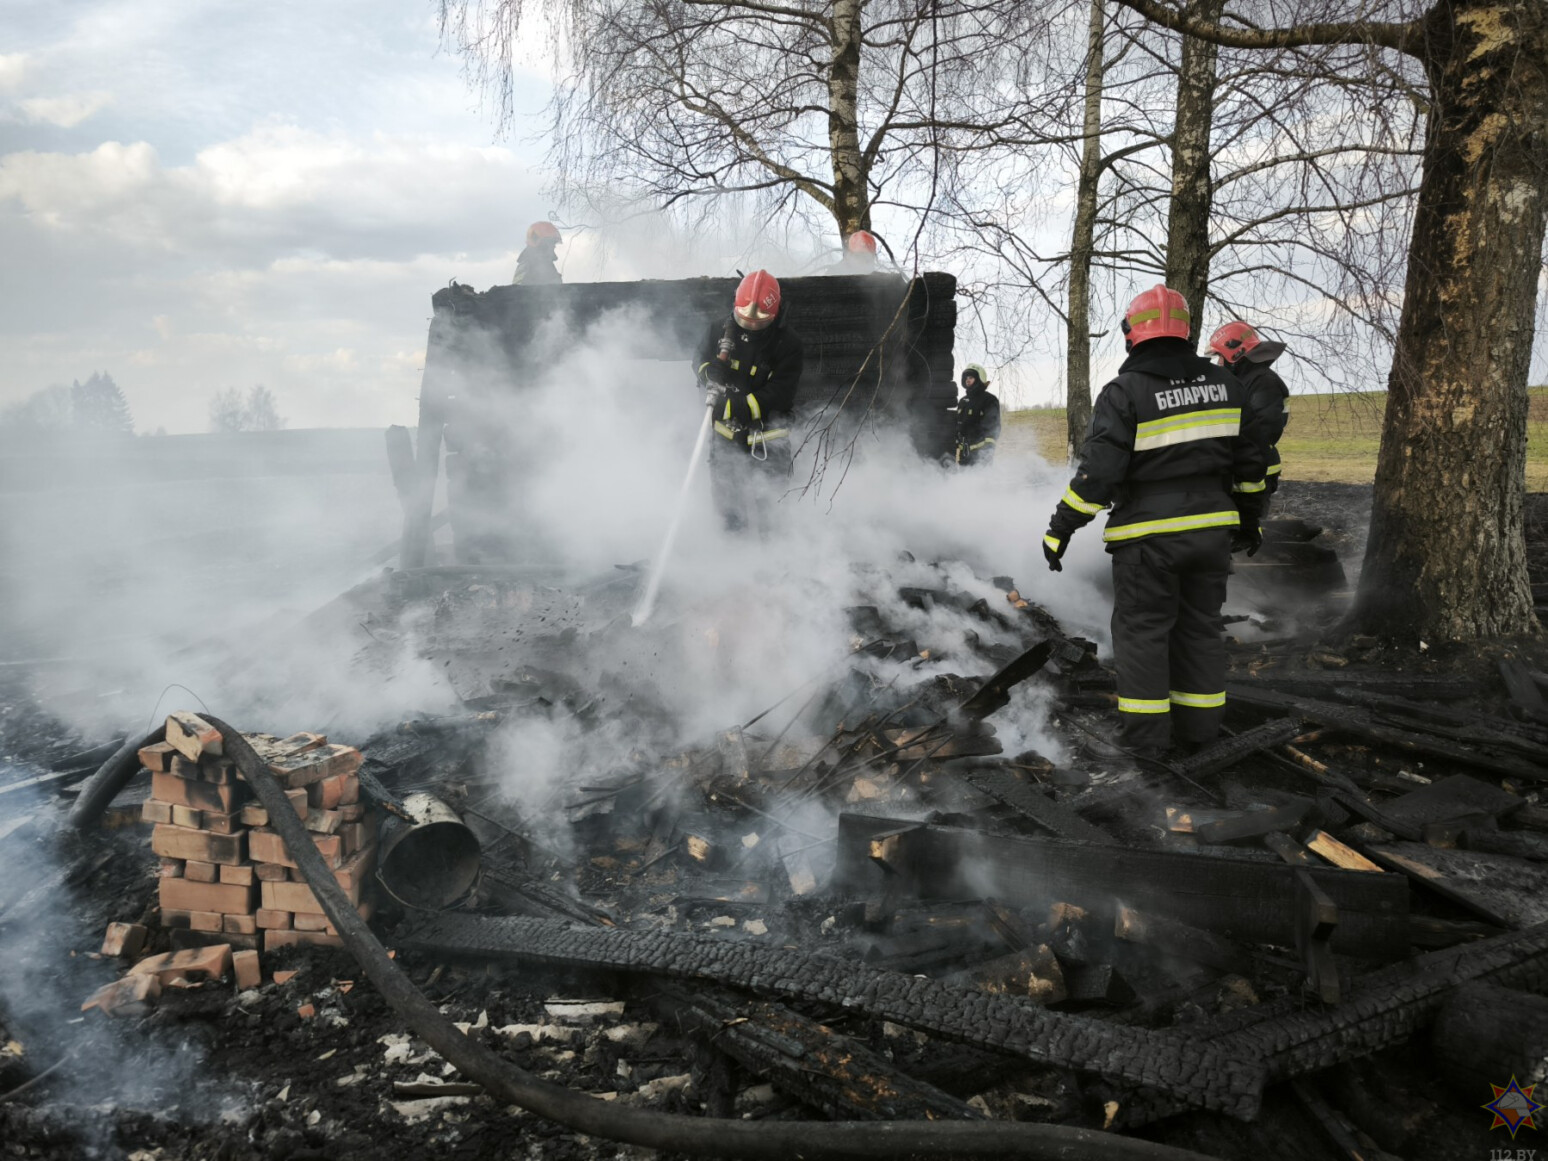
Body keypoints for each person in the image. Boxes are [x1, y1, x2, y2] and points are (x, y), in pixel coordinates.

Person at [1041, 284, 1270, 757]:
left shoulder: (1126, 391)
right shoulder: (1228, 387)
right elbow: (1253, 466)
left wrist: (1060, 528)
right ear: (1186, 333)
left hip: (1147, 541)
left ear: (1133, 336)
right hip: (1211, 534)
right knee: (1200, 631)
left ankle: (1145, 746)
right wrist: (1250, 522)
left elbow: (1099, 475)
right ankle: (1199, 735)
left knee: (1143, 634)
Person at [693, 270, 804, 532]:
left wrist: (735, 406)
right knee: (728, 508)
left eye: (759, 322)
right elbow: (698, 360)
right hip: (725, 437)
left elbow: (781, 391)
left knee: (770, 509)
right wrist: (709, 371)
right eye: (745, 320)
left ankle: (773, 560)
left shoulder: (788, 344)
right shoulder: (717, 330)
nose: (752, 325)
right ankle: (733, 557)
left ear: (774, 315)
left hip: (768, 439)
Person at [1209, 321, 1289, 496]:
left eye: (1220, 356)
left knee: (1250, 522)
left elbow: (1262, 430)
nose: (1219, 363)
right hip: (1244, 469)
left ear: (1236, 353)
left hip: (1257, 474)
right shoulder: (1245, 381)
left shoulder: (1263, 382)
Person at [954, 363, 1000, 467]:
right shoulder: (962, 401)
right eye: (966, 377)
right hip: (964, 455)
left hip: (981, 455)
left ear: (979, 379)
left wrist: (987, 452)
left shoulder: (989, 400)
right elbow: (958, 426)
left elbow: (993, 426)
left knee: (980, 482)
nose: (967, 380)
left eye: (971, 377)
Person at [513, 221, 563, 285]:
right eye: (550, 242)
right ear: (537, 241)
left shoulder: (548, 265)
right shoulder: (525, 265)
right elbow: (517, 292)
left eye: (553, 243)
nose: (554, 246)